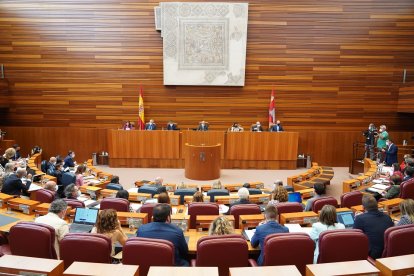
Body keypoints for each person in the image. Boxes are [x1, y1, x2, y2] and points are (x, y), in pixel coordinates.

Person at [353, 195, 393, 259]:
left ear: (363, 207)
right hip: (388, 254)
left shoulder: (360, 218)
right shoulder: (387, 217)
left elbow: (354, 237)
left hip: (373, 256)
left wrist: (357, 218)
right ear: (377, 205)